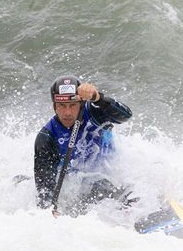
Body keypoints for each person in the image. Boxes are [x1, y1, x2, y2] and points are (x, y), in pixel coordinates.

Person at [33, 75, 133, 215]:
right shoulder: (47, 138)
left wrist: (99, 99)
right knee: (97, 189)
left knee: (104, 186)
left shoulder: (94, 113)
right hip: (80, 190)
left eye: (73, 105)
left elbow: (126, 115)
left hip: (111, 177)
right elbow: (45, 188)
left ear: (80, 104)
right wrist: (49, 211)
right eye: (62, 106)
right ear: (55, 106)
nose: (68, 112)